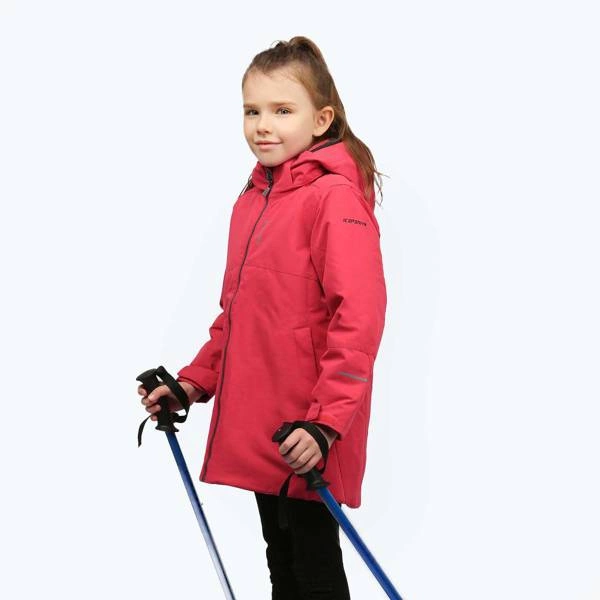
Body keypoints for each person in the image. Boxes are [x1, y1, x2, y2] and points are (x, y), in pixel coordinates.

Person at [138, 35, 387, 600]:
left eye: (282, 110)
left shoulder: (333, 199)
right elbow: (238, 315)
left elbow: (360, 321)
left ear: (321, 120)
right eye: (252, 111)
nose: (263, 126)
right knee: (283, 562)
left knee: (314, 568)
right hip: (267, 423)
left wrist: (325, 424)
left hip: (309, 427)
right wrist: (191, 384)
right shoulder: (254, 199)